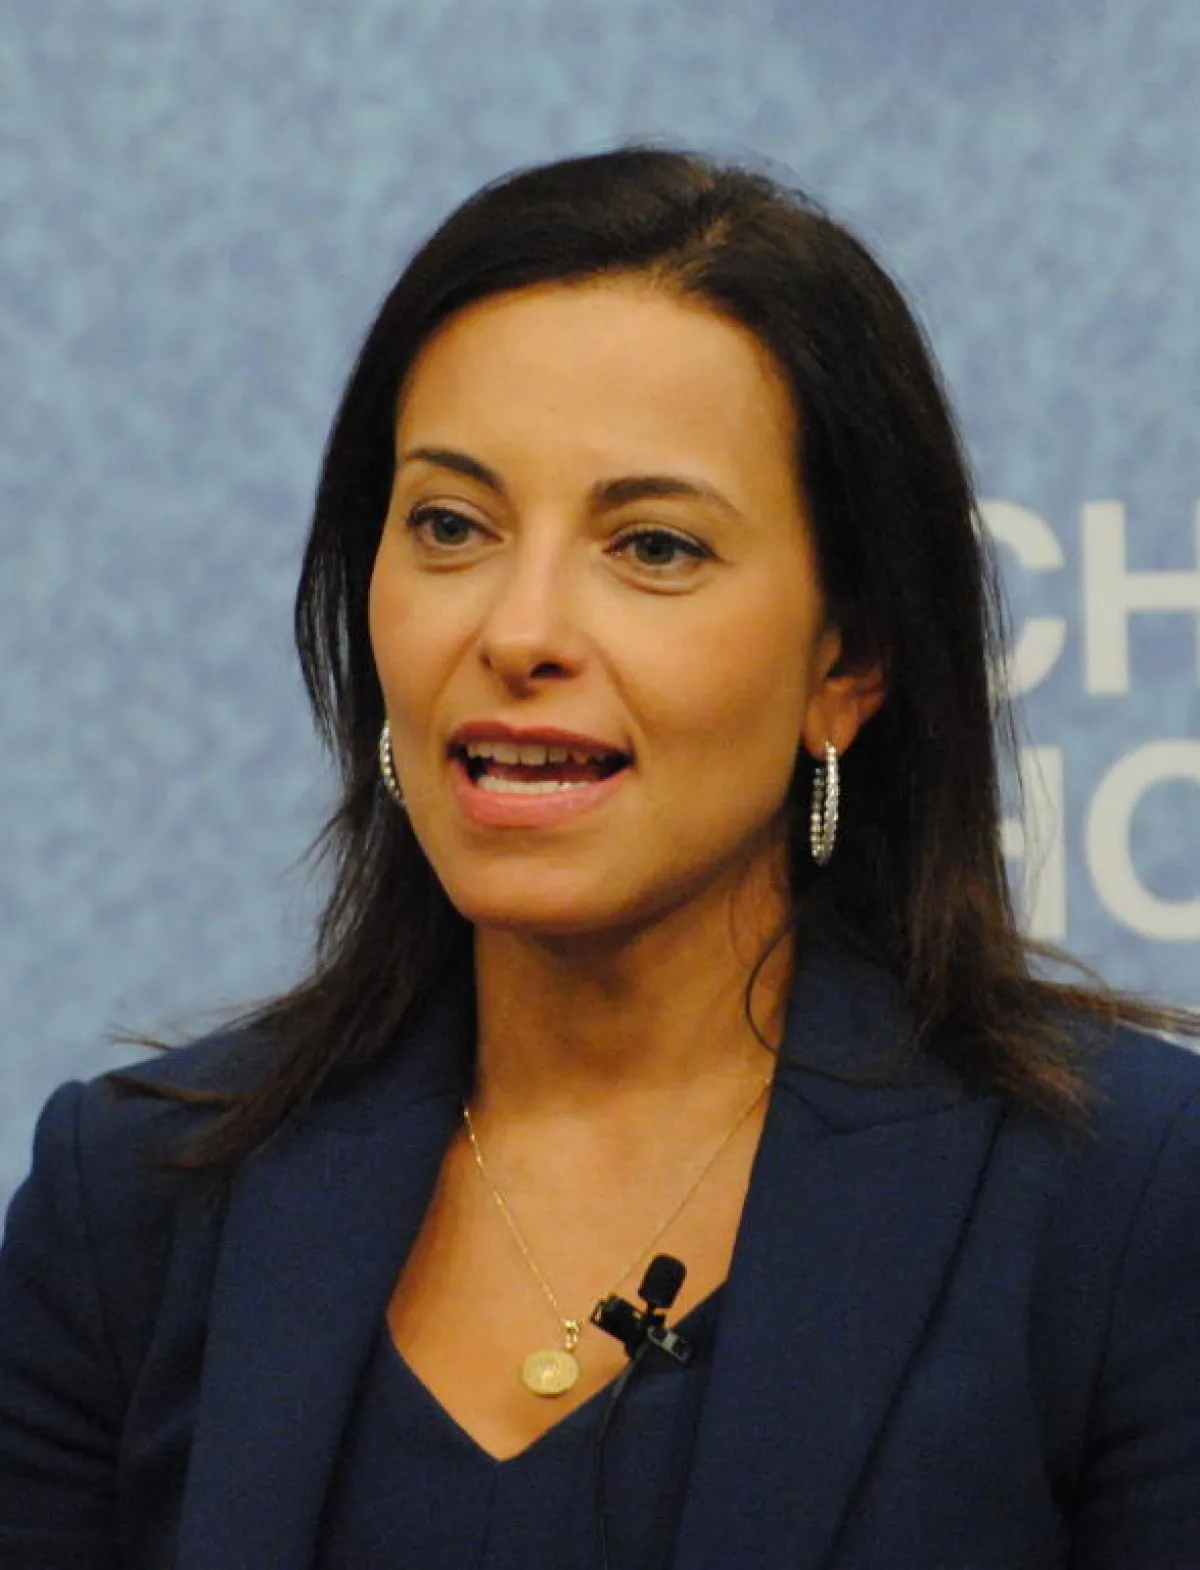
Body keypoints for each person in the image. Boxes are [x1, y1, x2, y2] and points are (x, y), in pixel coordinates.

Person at [1, 146, 1198, 1570]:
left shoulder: (1125, 1200)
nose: (519, 631)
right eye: (451, 525)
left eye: (653, 546)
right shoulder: (130, 1203)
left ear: (849, 662)